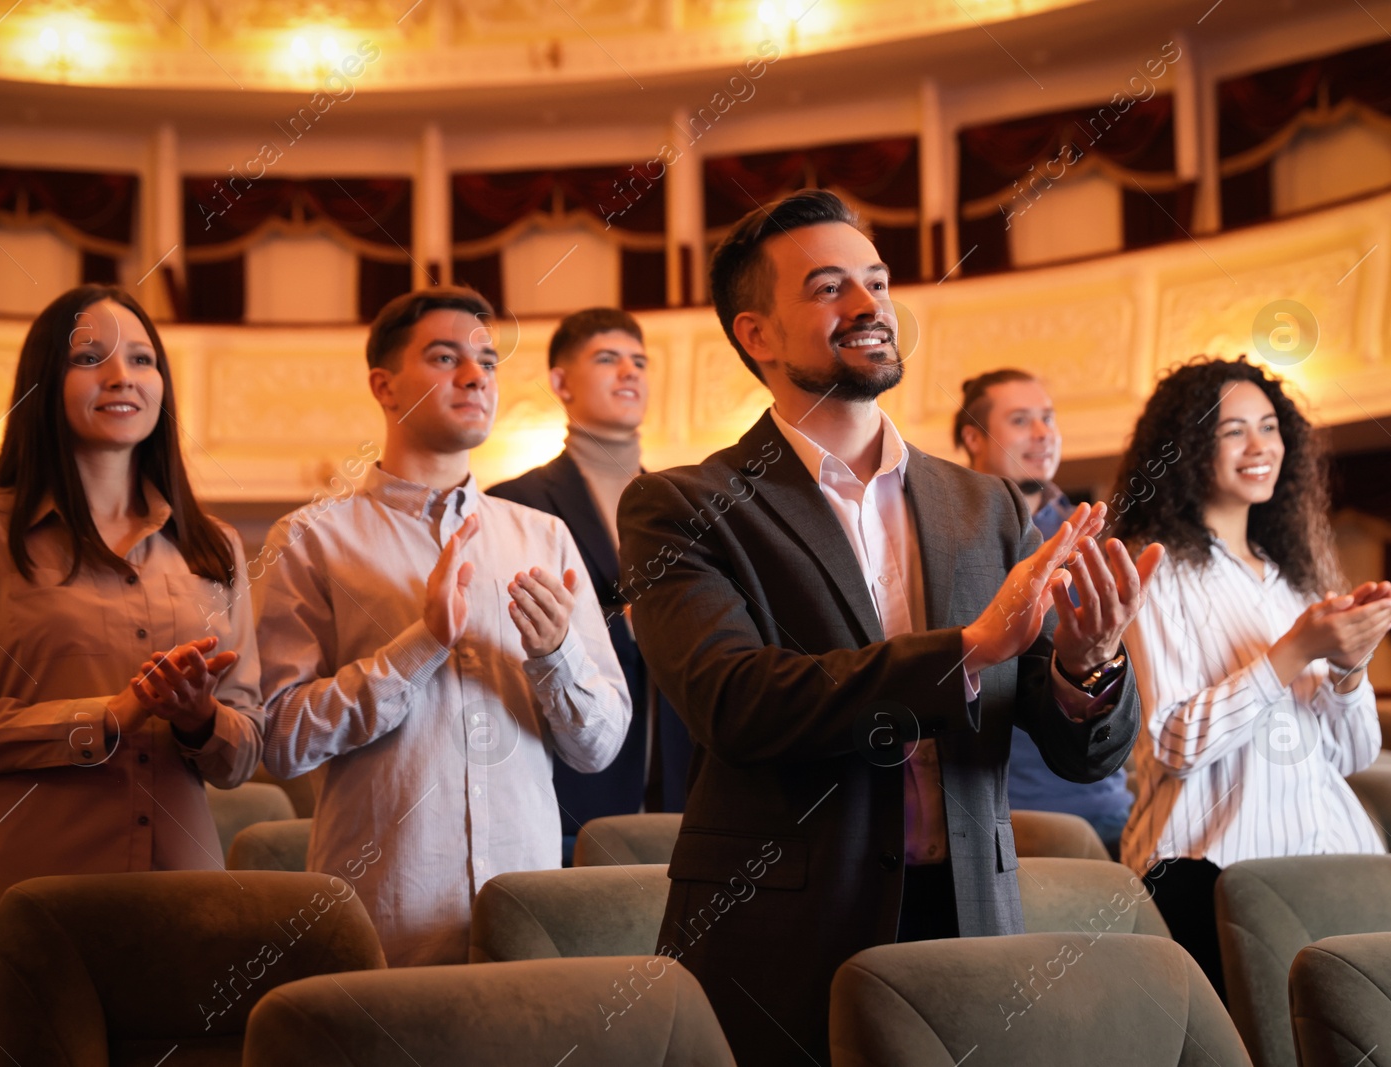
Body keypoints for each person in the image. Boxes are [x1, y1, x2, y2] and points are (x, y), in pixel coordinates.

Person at [617, 190, 1163, 1065]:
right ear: (756, 334)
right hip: (787, 924)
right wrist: (973, 647)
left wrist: (1086, 667)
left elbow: (1080, 752)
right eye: (831, 287)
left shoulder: (981, 503)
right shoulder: (683, 505)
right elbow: (736, 702)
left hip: (972, 914)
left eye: (877, 281)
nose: (872, 306)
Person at [0, 284, 263, 1067]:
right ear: (43, 383)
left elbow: (244, 749)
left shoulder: (216, 547)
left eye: (141, 358)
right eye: (87, 358)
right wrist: (112, 712)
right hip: (10, 907)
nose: (121, 375)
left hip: (180, 911)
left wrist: (199, 719)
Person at [254, 286, 630, 966]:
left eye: (487, 360)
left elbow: (598, 745)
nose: (475, 374)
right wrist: (420, 643)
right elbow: (279, 739)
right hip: (385, 917)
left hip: (527, 919)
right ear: (384, 385)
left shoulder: (543, 537)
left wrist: (554, 655)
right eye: (444, 357)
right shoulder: (311, 539)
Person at [1114, 356, 1391, 1002]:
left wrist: (1352, 662)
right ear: (1187, 448)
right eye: (1233, 430)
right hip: (1212, 873)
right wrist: (1295, 650)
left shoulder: (1293, 577)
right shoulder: (1156, 571)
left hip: (1335, 863)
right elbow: (1175, 743)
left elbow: (1355, 754)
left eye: (1270, 427)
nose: (1260, 446)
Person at [488, 308, 692, 858]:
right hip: (569, 783)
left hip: (682, 775)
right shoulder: (514, 502)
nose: (630, 371)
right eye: (608, 359)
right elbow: (506, 634)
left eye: (639, 361)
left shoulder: (687, 503)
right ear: (560, 382)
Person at [956, 369, 1132, 855]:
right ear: (973, 436)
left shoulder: (1083, 527)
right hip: (1016, 811)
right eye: (1020, 420)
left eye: (1048, 419)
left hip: (1109, 798)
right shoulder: (952, 536)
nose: (1042, 433)